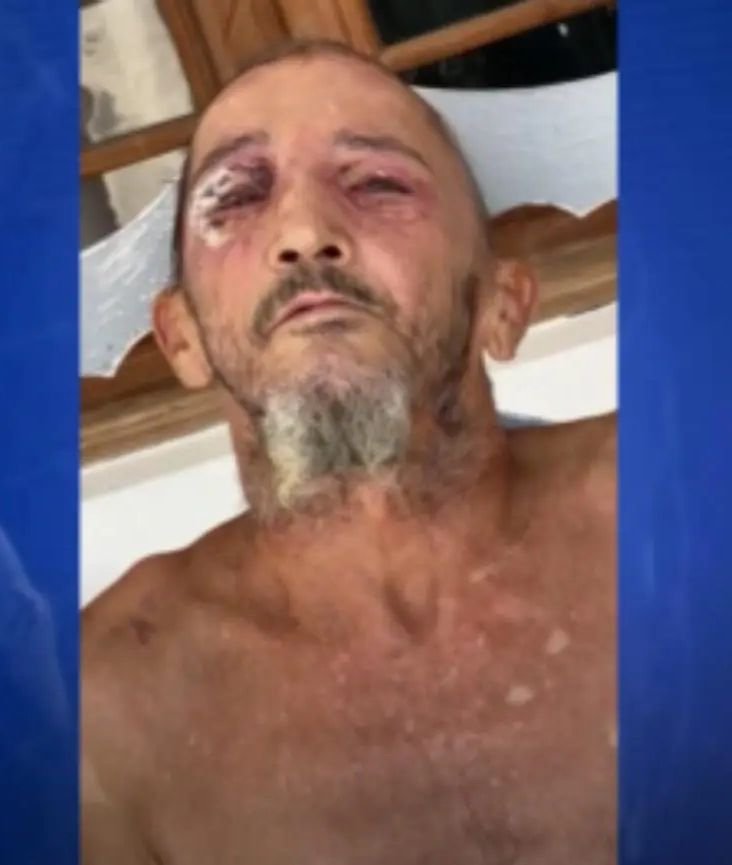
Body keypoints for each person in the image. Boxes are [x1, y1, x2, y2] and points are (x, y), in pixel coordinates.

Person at [82, 39, 615, 865]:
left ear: (500, 304)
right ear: (181, 339)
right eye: (236, 196)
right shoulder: (111, 713)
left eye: (376, 184)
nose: (304, 232)